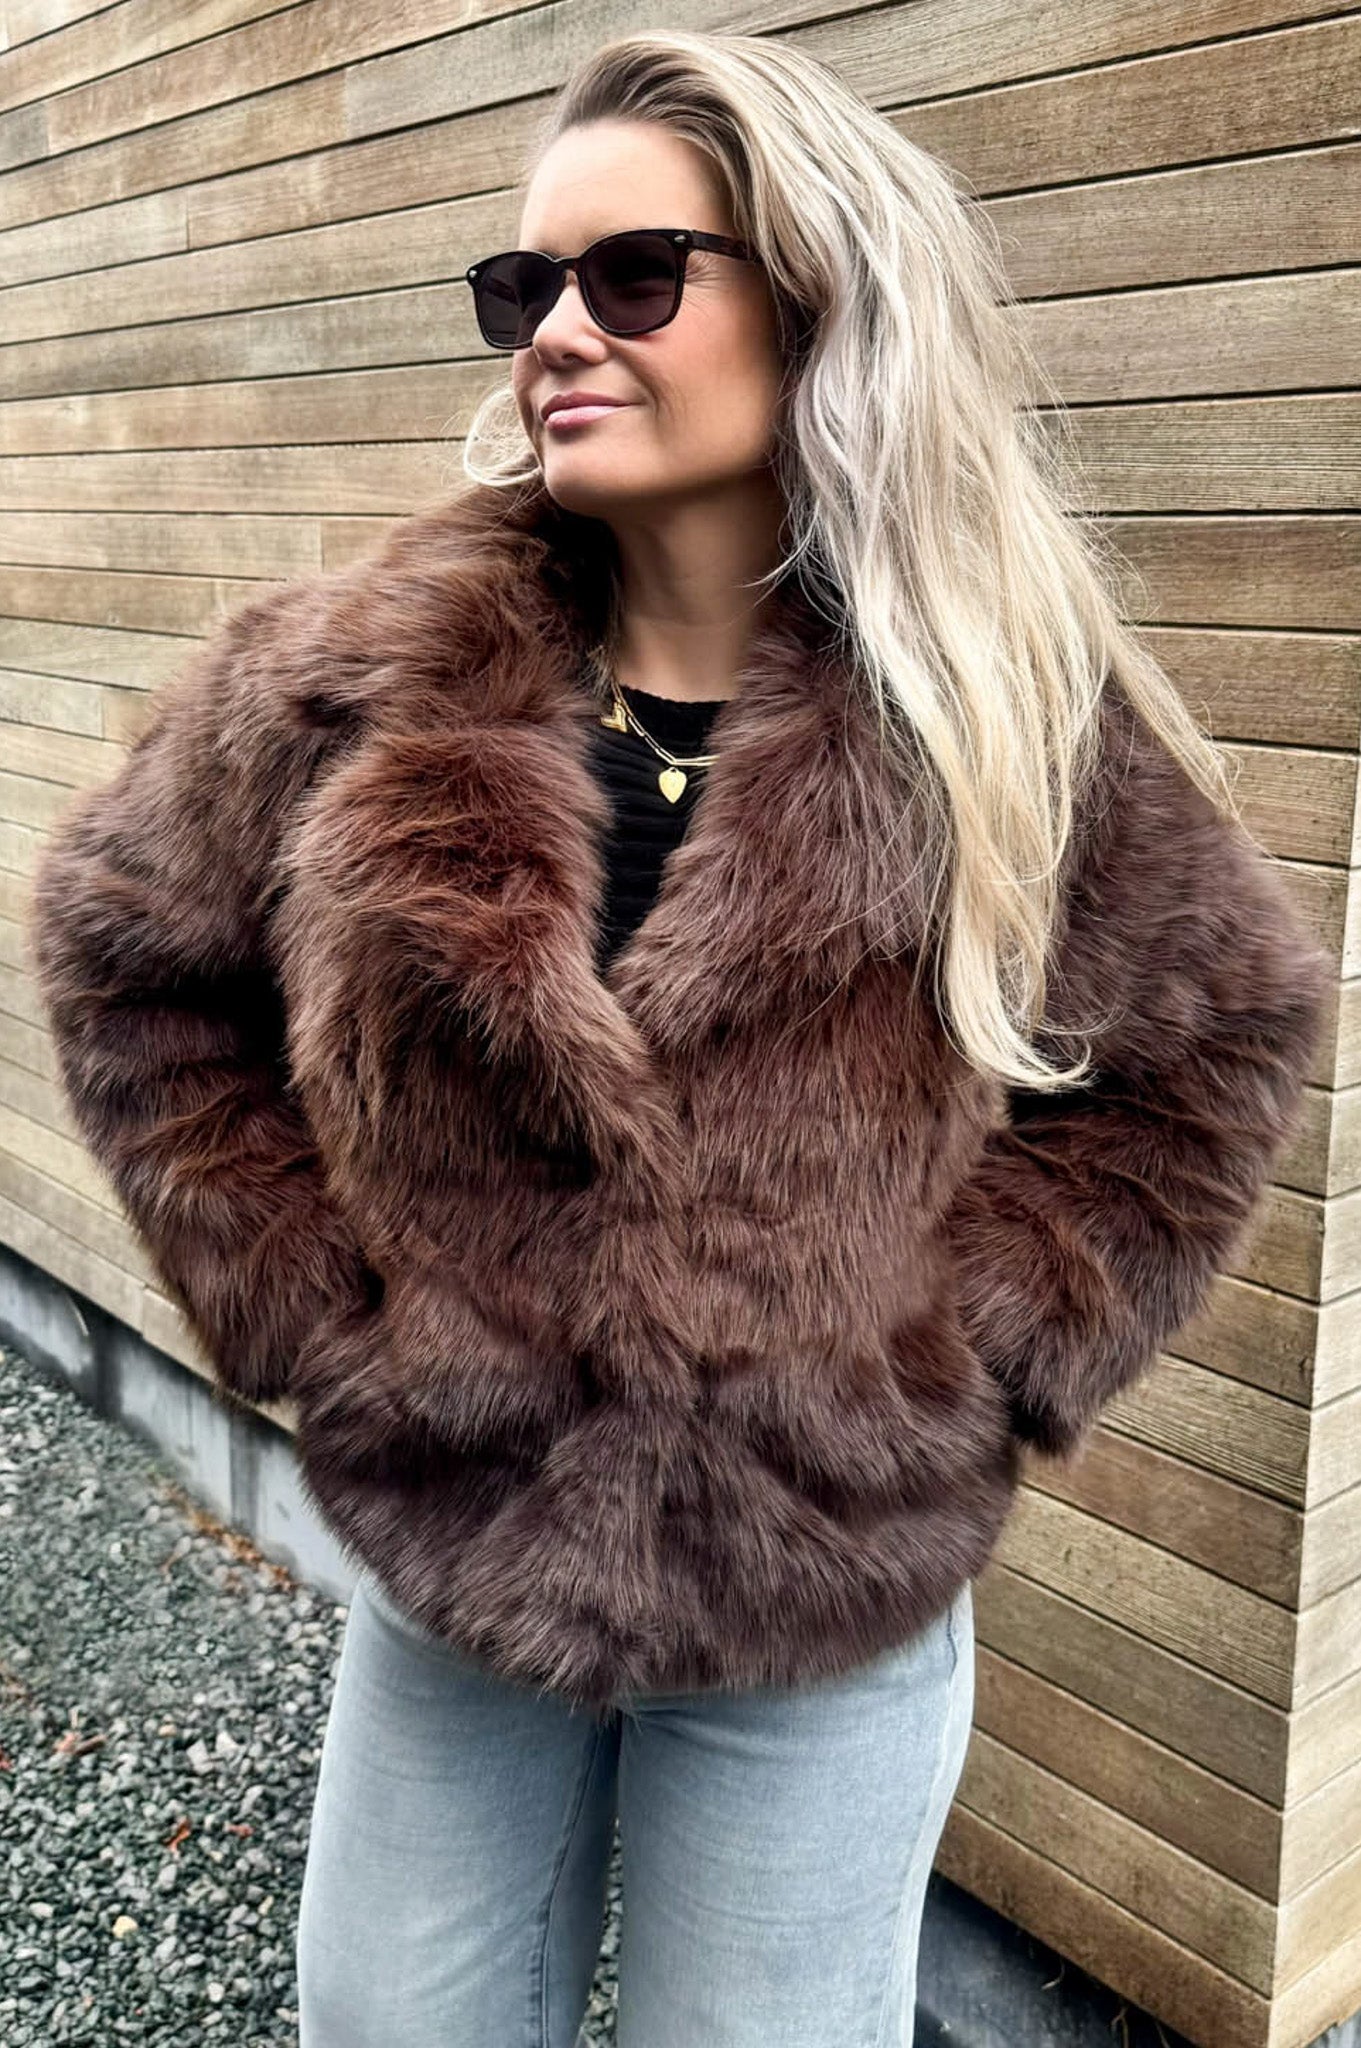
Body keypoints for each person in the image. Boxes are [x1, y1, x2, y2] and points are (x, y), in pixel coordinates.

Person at [26, 30, 1329, 2048]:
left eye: (634, 275)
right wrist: (309, 1305)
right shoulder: (345, 680)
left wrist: (960, 1353)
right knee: (386, 2019)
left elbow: (1221, 1037)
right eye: (521, 286)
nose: (557, 331)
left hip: (819, 1584)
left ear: (815, 301)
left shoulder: (996, 720)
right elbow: (124, 948)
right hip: (463, 1538)